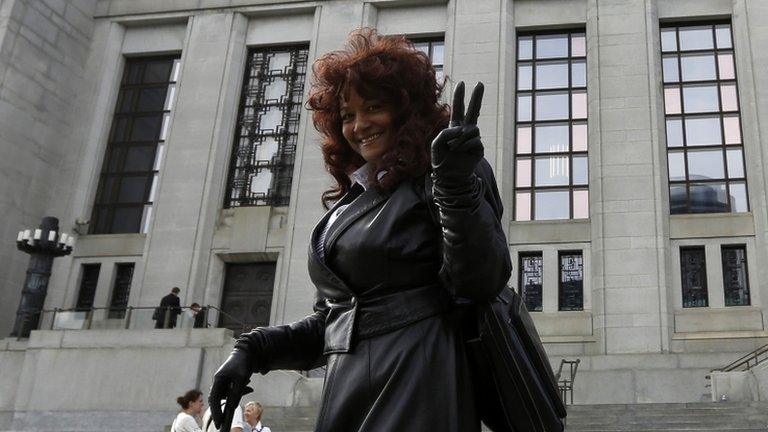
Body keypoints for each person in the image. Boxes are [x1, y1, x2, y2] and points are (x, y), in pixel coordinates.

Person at [209, 28, 511, 432]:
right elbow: (333, 323)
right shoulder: (356, 197)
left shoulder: (448, 172)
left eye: (373, 107)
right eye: (347, 115)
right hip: (350, 391)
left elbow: (481, 281)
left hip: (418, 384)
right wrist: (254, 350)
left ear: (407, 112)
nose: (359, 125)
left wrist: (456, 188)